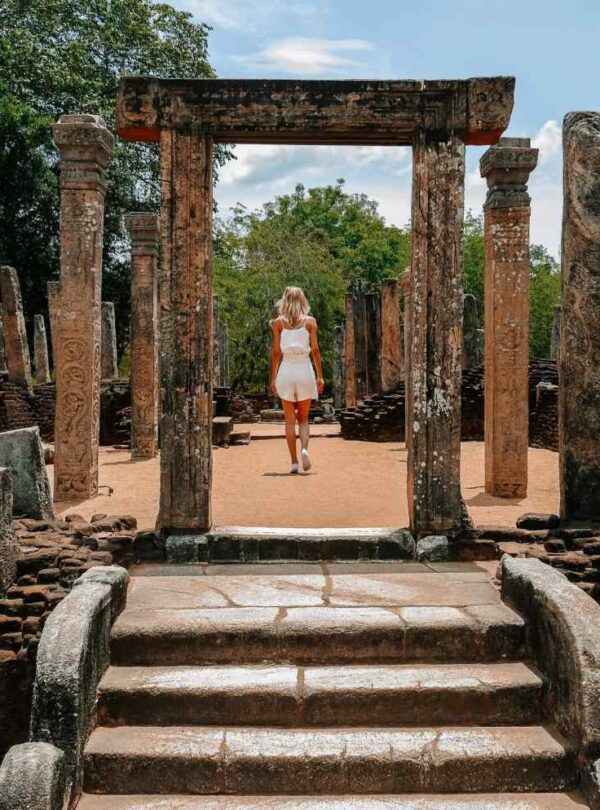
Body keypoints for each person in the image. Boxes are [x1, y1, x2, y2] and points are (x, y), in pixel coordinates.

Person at [270, 287, 325, 474]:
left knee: (289, 420)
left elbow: (276, 352)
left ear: (284, 300)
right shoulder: (310, 322)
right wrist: (320, 375)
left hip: (286, 370)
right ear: (303, 300)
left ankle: (294, 462)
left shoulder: (278, 323)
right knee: (303, 418)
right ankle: (304, 449)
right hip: (303, 368)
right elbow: (316, 351)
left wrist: (272, 377)